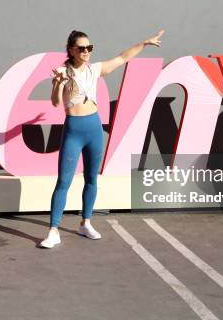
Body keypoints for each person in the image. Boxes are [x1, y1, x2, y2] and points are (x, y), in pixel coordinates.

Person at [39, 28, 165, 248]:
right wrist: (59, 83)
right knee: (63, 182)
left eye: (89, 47)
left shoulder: (95, 69)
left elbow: (123, 57)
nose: (87, 51)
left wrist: (144, 43)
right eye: (82, 48)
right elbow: (56, 102)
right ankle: (53, 231)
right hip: (73, 131)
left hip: (94, 129)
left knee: (91, 179)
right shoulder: (63, 72)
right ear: (71, 50)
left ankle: (85, 223)